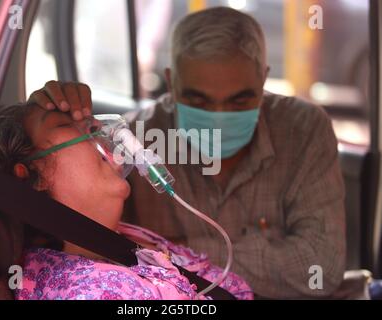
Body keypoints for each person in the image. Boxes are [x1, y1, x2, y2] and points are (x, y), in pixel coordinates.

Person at [29, 7, 346, 298]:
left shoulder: (302, 129)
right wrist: (42, 123)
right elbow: (90, 232)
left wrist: (171, 254)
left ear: (263, 79)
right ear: (172, 83)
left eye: (238, 100)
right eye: (199, 100)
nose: (218, 119)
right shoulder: (137, 139)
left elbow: (321, 266)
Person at [0, 103, 253, 300]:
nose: (95, 126)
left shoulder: (125, 239)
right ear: (33, 177)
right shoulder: (89, 293)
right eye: (63, 124)